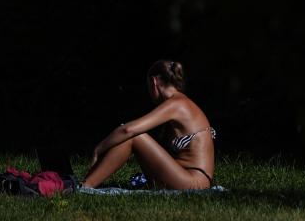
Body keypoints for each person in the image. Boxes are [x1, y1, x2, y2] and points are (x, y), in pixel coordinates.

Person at [81, 59, 216, 189]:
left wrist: (98, 149)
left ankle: (84, 187)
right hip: (189, 177)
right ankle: (86, 183)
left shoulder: (177, 104)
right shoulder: (182, 103)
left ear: (154, 82)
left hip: (194, 182)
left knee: (135, 136)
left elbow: (129, 130)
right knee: (130, 136)